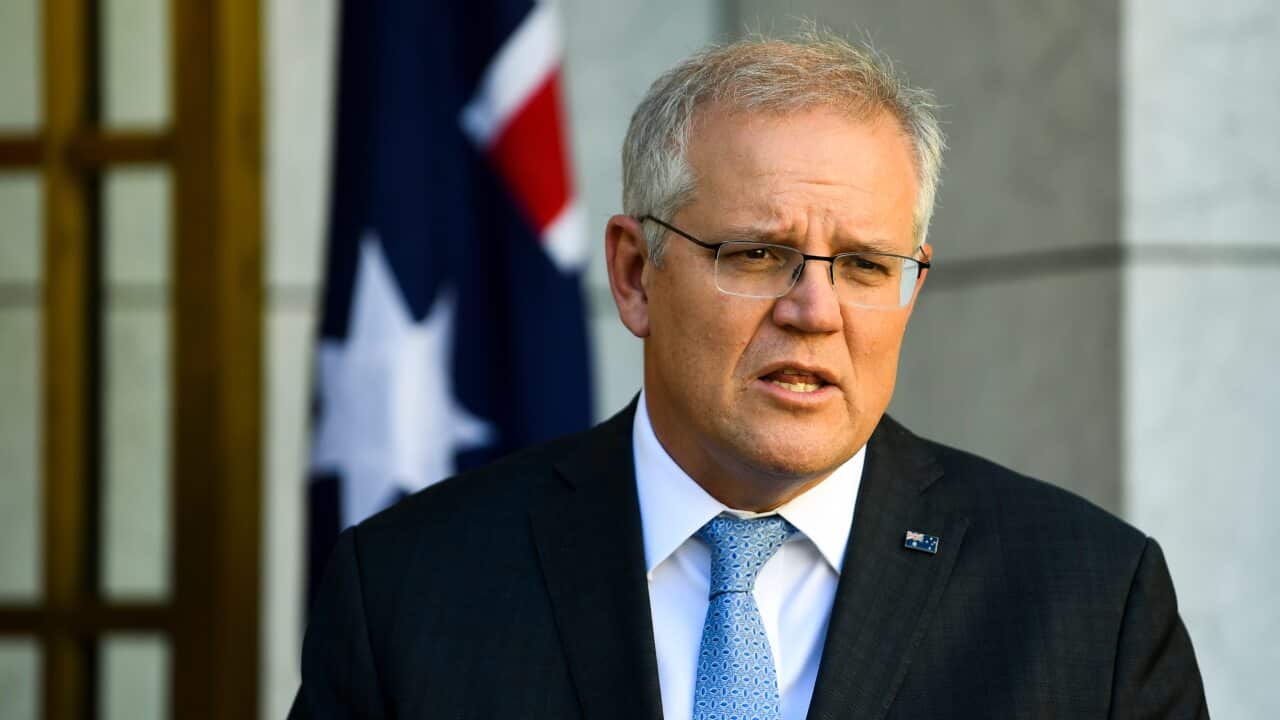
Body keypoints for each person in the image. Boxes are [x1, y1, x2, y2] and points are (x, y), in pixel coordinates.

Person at [291, 32, 1208, 719]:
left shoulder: (1090, 600)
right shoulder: (412, 590)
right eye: (760, 254)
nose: (815, 310)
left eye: (862, 264)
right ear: (635, 273)